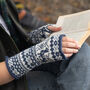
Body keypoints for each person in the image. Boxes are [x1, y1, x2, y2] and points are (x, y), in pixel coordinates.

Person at [0, 0, 90, 90]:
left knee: (79, 49)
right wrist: (35, 55)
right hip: (6, 80)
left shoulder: (4, 3)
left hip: (15, 58)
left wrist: (36, 37)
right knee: (55, 80)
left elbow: (9, 42)